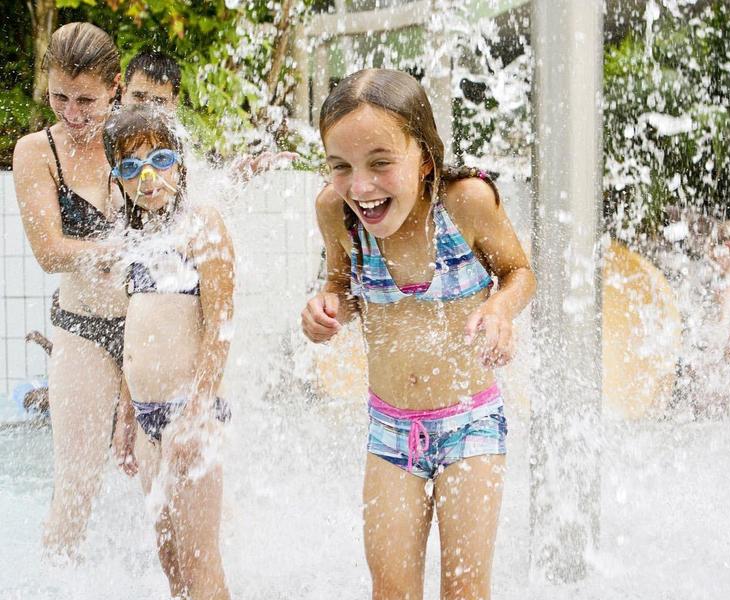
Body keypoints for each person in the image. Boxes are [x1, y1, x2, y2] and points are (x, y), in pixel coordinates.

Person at [301, 68, 536, 599]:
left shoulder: (466, 202)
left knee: (465, 589)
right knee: (390, 590)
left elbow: (519, 272)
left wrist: (499, 309)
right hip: (389, 431)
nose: (360, 186)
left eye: (380, 163)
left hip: (470, 424)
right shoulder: (336, 212)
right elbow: (341, 285)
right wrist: (326, 308)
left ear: (425, 158)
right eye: (341, 166)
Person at [105, 104, 234, 600]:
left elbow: (221, 326)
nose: (148, 177)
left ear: (180, 161)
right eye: (130, 167)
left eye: (160, 159)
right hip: (147, 419)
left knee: (200, 563)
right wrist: (126, 416)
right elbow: (134, 339)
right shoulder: (136, 238)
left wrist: (196, 412)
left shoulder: (202, 225)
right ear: (118, 180)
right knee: (171, 563)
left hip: (191, 415)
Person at [12, 22, 128, 558]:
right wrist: (113, 250)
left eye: (86, 100)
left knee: (165, 474)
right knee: (75, 486)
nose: (73, 114)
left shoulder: (136, 139)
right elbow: (49, 251)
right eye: (60, 97)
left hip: (151, 326)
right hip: (83, 331)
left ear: (115, 87)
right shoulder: (36, 151)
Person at [121, 48, 296, 176]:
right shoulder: (107, 143)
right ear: (123, 93)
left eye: (159, 102)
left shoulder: (180, 151)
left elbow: (198, 197)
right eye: (139, 97)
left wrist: (236, 180)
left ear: (174, 104)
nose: (148, 109)